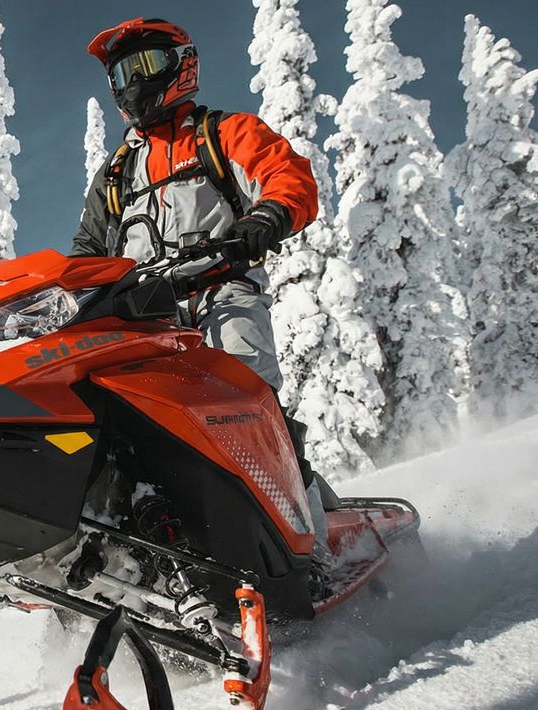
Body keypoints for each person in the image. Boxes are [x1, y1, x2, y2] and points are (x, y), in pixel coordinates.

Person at [74, 17, 332, 567]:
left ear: (179, 65)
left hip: (221, 290)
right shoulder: (117, 171)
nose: (131, 82)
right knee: (110, 411)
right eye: (120, 73)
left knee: (248, 397)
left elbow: (288, 177)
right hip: (144, 315)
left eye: (143, 65)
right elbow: (86, 251)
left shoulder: (223, 133)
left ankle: (311, 552)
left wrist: (266, 217)